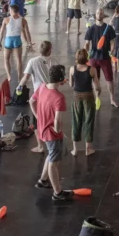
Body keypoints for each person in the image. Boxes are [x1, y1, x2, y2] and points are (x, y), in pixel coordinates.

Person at [33, 64, 71, 202]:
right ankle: (58, 193)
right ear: (61, 79)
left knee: (50, 154)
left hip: (42, 129)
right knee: (54, 163)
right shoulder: (59, 97)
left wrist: (38, 117)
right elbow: (57, 120)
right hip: (52, 135)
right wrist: (58, 130)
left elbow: (32, 101)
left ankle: (43, 180)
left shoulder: (42, 87)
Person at [84, 9, 118, 109]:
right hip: (93, 58)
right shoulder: (91, 29)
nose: (99, 14)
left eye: (101, 13)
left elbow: (112, 42)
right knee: (95, 80)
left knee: (109, 79)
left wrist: (111, 51)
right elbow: (87, 43)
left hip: (105, 57)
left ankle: (112, 99)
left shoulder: (109, 28)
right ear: (95, 15)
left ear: (104, 15)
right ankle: (97, 98)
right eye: (98, 13)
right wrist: (87, 52)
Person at [69, 48, 98, 156]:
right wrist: (98, 92)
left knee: (76, 121)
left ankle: (75, 149)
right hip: (89, 97)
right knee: (89, 121)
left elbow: (71, 85)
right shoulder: (92, 69)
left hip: (76, 97)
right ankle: (88, 149)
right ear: (87, 58)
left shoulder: (72, 69)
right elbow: (97, 86)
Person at [0, 4, 29, 82]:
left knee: (6, 59)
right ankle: (19, 77)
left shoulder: (6, 19)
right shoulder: (23, 20)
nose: (9, 11)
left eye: (10, 10)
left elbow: (1, 32)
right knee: (19, 60)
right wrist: (27, 42)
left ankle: (9, 76)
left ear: (12, 11)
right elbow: (26, 32)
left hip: (8, 40)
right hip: (17, 39)